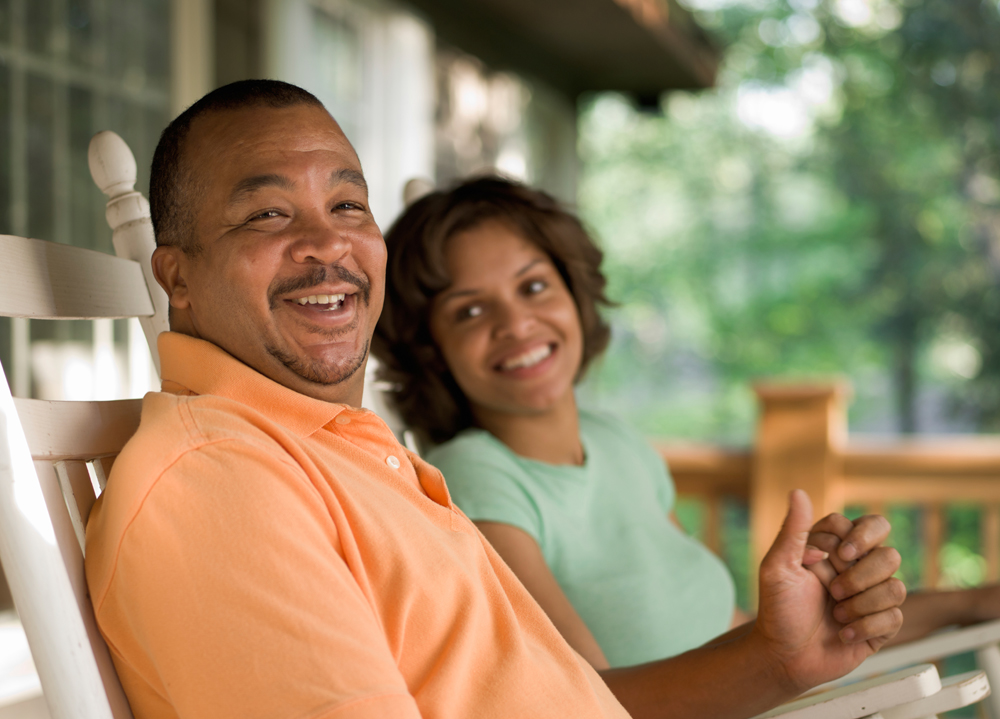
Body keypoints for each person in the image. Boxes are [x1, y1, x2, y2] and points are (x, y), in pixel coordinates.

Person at [85, 80, 904, 719]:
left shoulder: (349, 455)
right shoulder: (220, 481)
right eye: (268, 213)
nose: (328, 243)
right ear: (179, 278)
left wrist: (779, 655)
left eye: (347, 204)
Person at [373, 175, 997, 670]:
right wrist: (775, 659)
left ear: (573, 293)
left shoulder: (617, 445)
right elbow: (584, 698)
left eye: (533, 287)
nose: (515, 323)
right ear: (431, 350)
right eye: (471, 310)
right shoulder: (472, 475)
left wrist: (967, 603)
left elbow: (733, 637)